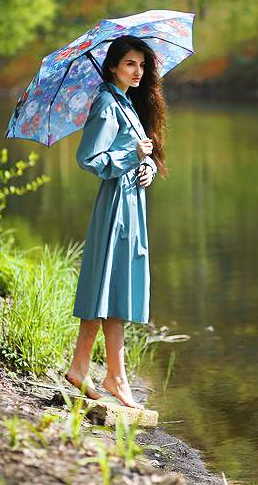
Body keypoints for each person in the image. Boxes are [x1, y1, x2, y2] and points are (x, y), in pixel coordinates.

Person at [65, 35, 168, 410]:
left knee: (114, 287)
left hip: (131, 202)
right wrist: (130, 153)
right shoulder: (107, 104)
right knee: (109, 286)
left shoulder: (127, 104)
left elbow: (139, 154)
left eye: (142, 65)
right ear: (112, 66)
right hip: (115, 206)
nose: (138, 71)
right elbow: (89, 158)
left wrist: (148, 168)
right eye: (130, 64)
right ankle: (113, 376)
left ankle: (88, 369)